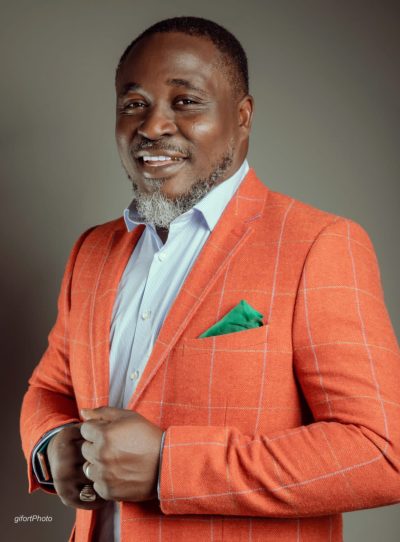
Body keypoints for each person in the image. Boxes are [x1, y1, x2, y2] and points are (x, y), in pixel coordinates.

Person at [20, 16, 400, 542]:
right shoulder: (92, 251)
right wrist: (53, 441)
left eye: (185, 101)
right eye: (134, 104)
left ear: (242, 117)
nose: (153, 126)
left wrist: (169, 465)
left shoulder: (319, 243)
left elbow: (381, 454)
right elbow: (49, 389)